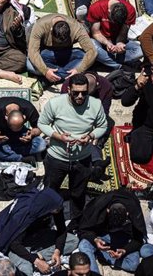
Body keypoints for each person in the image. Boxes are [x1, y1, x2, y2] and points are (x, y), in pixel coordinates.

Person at [38, 73, 108, 226]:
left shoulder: (95, 104)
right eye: (76, 93)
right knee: (50, 191)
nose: (80, 96)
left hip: (82, 158)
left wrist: (90, 136)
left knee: (78, 193)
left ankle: (76, 223)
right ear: (68, 89)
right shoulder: (55, 103)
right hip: (57, 157)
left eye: (84, 93)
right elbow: (42, 124)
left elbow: (103, 125)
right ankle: (46, 219)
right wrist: (58, 136)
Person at [0, 188, 78, 276]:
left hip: (36, 237)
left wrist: (57, 251)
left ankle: (38, 255)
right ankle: (34, 259)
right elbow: (14, 244)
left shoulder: (54, 207)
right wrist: (36, 261)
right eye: (57, 209)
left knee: (73, 240)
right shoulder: (24, 214)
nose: (59, 211)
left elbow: (61, 230)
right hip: (17, 245)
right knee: (26, 269)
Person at [78, 190, 146, 274]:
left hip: (123, 237)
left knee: (133, 265)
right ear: (107, 210)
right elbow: (83, 229)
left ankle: (103, 255)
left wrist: (125, 250)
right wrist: (95, 240)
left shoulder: (134, 209)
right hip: (102, 236)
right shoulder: (98, 206)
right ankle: (94, 274)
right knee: (84, 245)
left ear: (128, 214)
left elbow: (138, 239)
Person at [122, 57, 153, 164]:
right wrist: (137, 87)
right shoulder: (145, 81)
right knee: (139, 157)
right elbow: (125, 102)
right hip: (146, 127)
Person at [27, 14, 97, 83]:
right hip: (47, 54)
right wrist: (45, 71)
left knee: (83, 55)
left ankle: (54, 77)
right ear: (51, 31)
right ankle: (66, 75)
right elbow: (33, 52)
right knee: (30, 65)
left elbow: (92, 51)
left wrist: (79, 70)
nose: (58, 44)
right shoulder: (40, 26)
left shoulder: (77, 28)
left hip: (66, 53)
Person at [0, 96, 45, 162]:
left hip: (21, 137)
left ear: (24, 117)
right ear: (6, 117)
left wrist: (31, 134)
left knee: (41, 145)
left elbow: (39, 127)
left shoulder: (28, 108)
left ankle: (4, 154)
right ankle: (19, 158)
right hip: (0, 137)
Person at [87, 0, 143, 69]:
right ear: (109, 11)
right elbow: (96, 33)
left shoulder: (130, 10)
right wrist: (107, 43)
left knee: (141, 50)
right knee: (92, 45)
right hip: (101, 40)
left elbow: (124, 32)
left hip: (116, 38)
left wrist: (119, 43)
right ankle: (119, 65)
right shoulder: (96, 8)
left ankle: (107, 61)